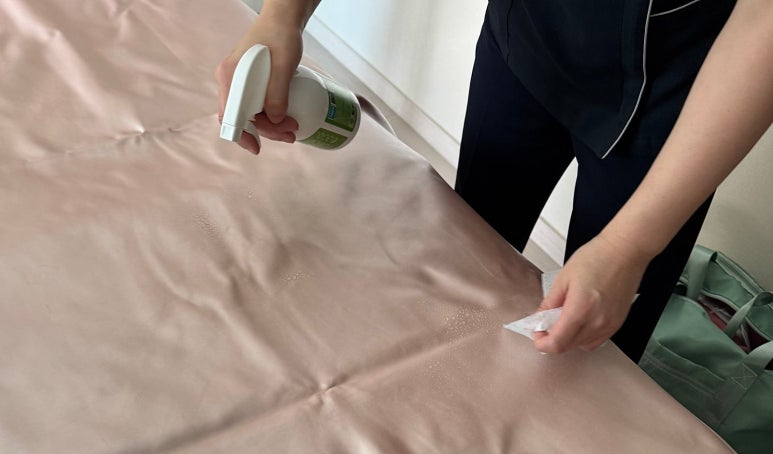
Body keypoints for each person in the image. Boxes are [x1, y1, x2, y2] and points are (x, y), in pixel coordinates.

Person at [215, 0, 773, 361]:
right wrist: (281, 16)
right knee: (465, 255)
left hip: (675, 92)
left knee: (593, 342)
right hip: (526, 32)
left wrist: (629, 247)